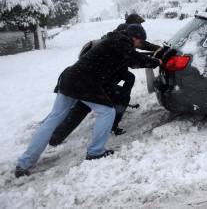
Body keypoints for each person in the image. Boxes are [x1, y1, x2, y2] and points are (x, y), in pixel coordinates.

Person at [15, 24, 161, 178]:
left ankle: (24, 163)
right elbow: (134, 59)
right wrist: (157, 62)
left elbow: (133, 56)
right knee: (107, 112)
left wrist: (152, 56)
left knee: (53, 119)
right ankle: (95, 152)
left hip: (69, 77)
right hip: (83, 82)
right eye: (140, 42)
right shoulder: (121, 43)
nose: (139, 45)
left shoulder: (115, 39)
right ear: (135, 38)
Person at [49, 14, 162, 143]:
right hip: (98, 75)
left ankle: (56, 135)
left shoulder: (122, 33)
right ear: (133, 25)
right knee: (83, 105)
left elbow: (136, 51)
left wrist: (156, 50)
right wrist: (154, 57)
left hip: (102, 72)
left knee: (127, 82)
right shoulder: (125, 35)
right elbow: (134, 55)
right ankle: (57, 136)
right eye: (140, 24)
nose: (141, 26)